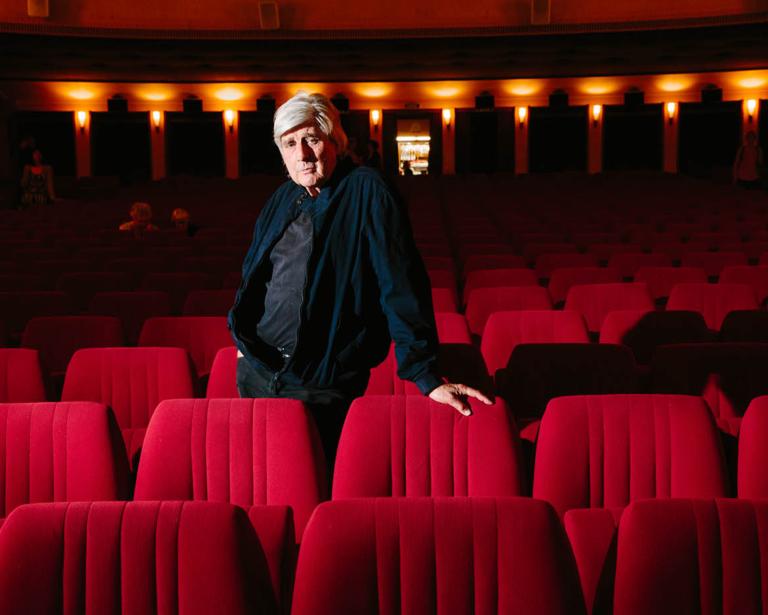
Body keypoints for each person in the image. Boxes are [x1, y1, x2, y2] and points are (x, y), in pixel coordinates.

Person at [229, 92, 491, 463]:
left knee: (317, 482)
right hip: (257, 373)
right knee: (269, 481)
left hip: (319, 380)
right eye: (290, 143)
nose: (302, 153)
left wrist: (424, 374)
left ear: (335, 140)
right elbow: (255, 273)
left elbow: (399, 282)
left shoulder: (367, 189)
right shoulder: (281, 198)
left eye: (312, 139)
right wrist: (243, 339)